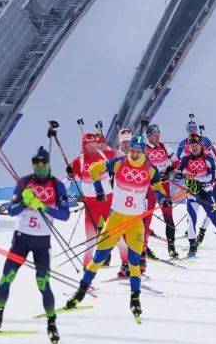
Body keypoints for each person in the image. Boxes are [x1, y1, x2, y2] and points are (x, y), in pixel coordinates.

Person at [64, 135, 168, 320]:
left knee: (135, 263)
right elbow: (95, 170)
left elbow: (158, 187)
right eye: (132, 150)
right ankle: (80, 292)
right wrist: (99, 189)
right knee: (98, 259)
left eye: (138, 151)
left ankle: (135, 298)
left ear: (143, 151)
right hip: (116, 219)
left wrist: (162, 199)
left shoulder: (150, 169)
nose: (134, 154)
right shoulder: (119, 163)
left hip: (135, 222)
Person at [0, 146, 68, 344]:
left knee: (43, 284)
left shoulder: (57, 185)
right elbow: (11, 211)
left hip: (42, 242)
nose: (40, 167)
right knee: (5, 280)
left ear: (49, 164)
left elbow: (65, 215)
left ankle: (52, 323)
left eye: (44, 163)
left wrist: (43, 206)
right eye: (36, 163)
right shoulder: (24, 182)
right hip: (21, 239)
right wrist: (25, 202)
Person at [178, 135, 216, 258]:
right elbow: (179, 172)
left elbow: (211, 178)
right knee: (191, 221)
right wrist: (176, 175)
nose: (194, 148)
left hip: (206, 195)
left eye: (196, 145)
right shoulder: (185, 159)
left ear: (201, 146)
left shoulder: (208, 158)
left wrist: (197, 181)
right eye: (191, 146)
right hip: (192, 195)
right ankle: (192, 247)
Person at [67, 128, 116, 263]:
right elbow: (71, 175)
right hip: (90, 201)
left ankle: (112, 257)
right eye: (90, 145)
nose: (93, 147)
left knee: (110, 228)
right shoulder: (80, 161)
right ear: (84, 146)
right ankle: (97, 258)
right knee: (93, 231)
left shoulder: (106, 154)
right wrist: (70, 173)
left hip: (107, 198)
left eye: (95, 144)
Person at [143, 123, 179, 257]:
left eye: (158, 134)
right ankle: (143, 248)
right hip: (150, 189)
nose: (157, 137)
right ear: (149, 136)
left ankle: (171, 247)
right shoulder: (143, 149)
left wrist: (168, 171)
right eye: (154, 135)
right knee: (146, 219)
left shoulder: (164, 146)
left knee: (168, 217)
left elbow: (176, 162)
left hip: (163, 187)